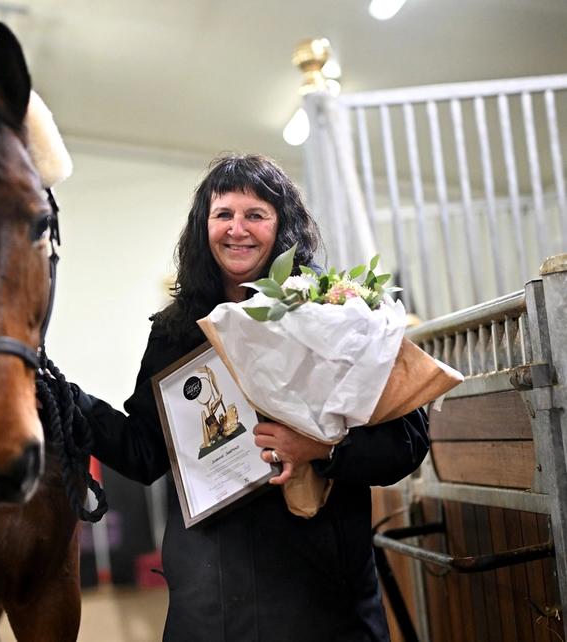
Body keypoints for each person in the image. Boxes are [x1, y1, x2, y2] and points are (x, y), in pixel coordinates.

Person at [73, 154, 429, 642]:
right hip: (210, 604)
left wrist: (321, 450)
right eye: (223, 215)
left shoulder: (336, 313)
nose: (237, 229)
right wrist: (62, 395)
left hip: (321, 601)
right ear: (204, 227)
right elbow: (143, 451)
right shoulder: (177, 332)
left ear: (282, 228)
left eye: (255, 215)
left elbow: (406, 443)